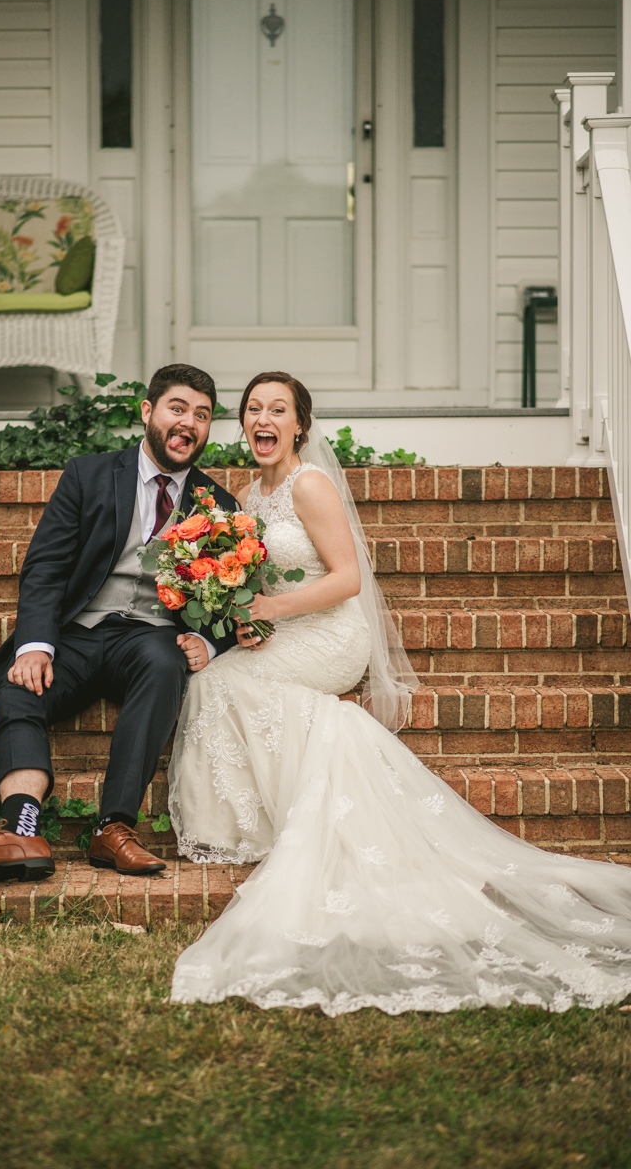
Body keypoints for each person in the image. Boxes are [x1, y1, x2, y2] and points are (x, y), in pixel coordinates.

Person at [168, 371, 631, 1016]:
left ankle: (299, 821)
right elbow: (253, 581)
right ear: (242, 423)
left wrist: (269, 607)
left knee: (236, 681)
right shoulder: (248, 494)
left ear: (300, 423)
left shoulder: (310, 484)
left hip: (331, 637)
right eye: (253, 409)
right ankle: (271, 823)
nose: (263, 419)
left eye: (278, 409)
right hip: (282, 628)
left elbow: (348, 580)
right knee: (218, 675)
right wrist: (242, 614)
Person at [0, 364, 239, 885]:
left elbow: (234, 597)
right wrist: (34, 644)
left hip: (147, 638)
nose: (189, 423)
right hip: (77, 633)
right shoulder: (90, 474)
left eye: (203, 415)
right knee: (18, 686)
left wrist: (210, 641)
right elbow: (46, 566)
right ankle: (21, 827)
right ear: (148, 412)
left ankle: (113, 828)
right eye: (178, 408)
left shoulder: (219, 505)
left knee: (166, 664)